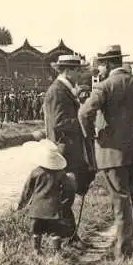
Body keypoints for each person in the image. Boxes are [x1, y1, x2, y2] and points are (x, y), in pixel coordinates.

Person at [79, 45, 133, 260]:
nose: (100, 70)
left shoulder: (105, 87)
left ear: (107, 64)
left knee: (121, 203)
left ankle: (125, 254)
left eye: (101, 66)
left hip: (112, 156)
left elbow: (84, 113)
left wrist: (94, 136)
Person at [43, 54, 95, 247]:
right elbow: (58, 123)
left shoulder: (63, 89)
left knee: (67, 194)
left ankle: (68, 237)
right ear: (67, 70)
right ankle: (66, 238)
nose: (81, 74)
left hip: (68, 150)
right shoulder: (57, 91)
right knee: (65, 195)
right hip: (65, 151)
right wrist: (83, 120)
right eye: (78, 70)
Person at [18, 139, 77, 255]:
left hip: (37, 208)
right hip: (53, 207)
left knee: (37, 231)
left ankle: (37, 250)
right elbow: (68, 189)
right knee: (55, 231)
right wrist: (64, 203)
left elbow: (27, 190)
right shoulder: (60, 173)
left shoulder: (35, 172)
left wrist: (21, 204)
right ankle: (57, 252)